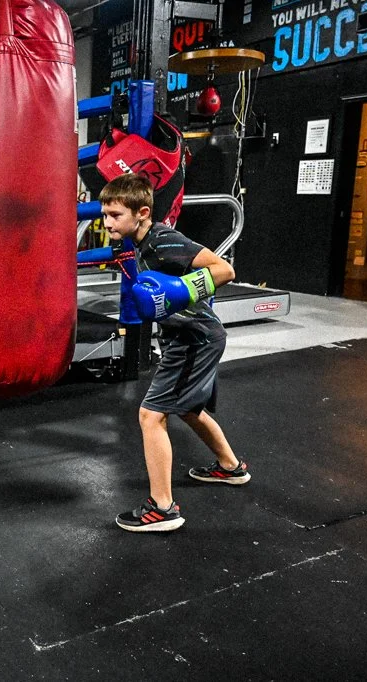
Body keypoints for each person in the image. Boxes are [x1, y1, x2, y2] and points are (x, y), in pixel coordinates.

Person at [99, 173, 248, 533]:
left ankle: (162, 509)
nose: (107, 223)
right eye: (104, 215)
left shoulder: (165, 240)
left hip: (195, 338)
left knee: (151, 416)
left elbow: (224, 270)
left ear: (142, 212)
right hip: (191, 336)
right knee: (188, 409)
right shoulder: (140, 242)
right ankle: (230, 468)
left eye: (115, 215)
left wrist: (180, 289)